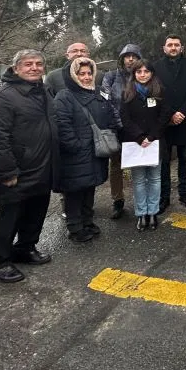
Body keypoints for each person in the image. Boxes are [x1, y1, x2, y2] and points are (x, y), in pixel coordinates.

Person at [0, 50, 59, 284]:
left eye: (38, 64)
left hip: (43, 165)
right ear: (15, 69)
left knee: (36, 211)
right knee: (10, 216)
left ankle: (26, 248)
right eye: (28, 64)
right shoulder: (3, 97)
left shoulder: (43, 91)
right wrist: (7, 171)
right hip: (18, 170)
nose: (34, 68)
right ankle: (1, 261)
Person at [54, 57, 118, 242]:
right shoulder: (64, 96)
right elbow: (62, 125)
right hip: (76, 154)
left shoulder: (98, 93)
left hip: (95, 152)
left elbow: (109, 115)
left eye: (89, 73)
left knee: (89, 188)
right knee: (74, 192)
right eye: (81, 74)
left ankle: (88, 221)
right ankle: (75, 227)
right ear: (73, 75)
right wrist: (75, 145)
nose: (86, 77)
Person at [120, 61, 172, 230]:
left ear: (152, 73)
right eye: (139, 71)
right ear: (134, 74)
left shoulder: (160, 91)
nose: (142, 74)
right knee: (139, 180)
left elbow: (165, 115)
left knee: (155, 179)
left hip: (155, 141)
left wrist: (150, 136)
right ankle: (142, 213)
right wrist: (139, 137)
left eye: (146, 71)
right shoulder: (127, 93)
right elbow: (125, 118)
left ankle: (153, 212)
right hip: (135, 143)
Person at [153, 34, 186, 213]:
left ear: (182, 47)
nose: (173, 48)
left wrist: (182, 112)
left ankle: (183, 193)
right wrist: (171, 114)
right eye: (170, 45)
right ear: (164, 48)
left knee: (185, 159)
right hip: (165, 122)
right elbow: (156, 92)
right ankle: (164, 197)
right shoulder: (156, 67)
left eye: (176, 45)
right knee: (164, 161)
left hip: (185, 120)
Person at [99, 44, 143, 219]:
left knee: (138, 166)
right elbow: (106, 101)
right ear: (122, 58)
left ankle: (141, 202)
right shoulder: (110, 77)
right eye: (127, 56)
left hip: (136, 130)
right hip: (117, 129)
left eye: (134, 56)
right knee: (116, 166)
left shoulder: (142, 76)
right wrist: (120, 123)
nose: (130, 59)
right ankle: (118, 200)